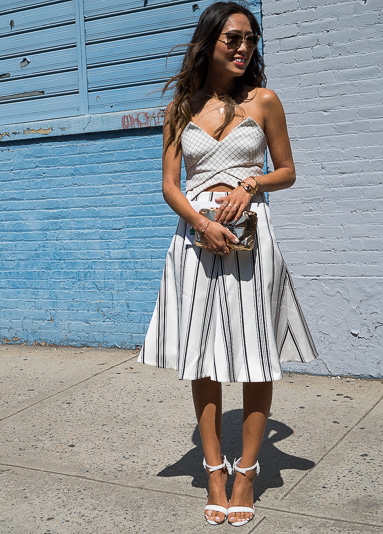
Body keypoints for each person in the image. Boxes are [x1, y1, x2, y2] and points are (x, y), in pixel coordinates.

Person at [137, 1, 319, 527]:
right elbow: (170, 186)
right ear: (209, 41)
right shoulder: (180, 108)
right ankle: (214, 470)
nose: (244, 48)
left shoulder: (264, 102)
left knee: (256, 355)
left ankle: (246, 473)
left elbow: (286, 170)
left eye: (250, 39)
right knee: (203, 358)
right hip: (196, 242)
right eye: (233, 39)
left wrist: (251, 182)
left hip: (251, 244)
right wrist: (201, 222)